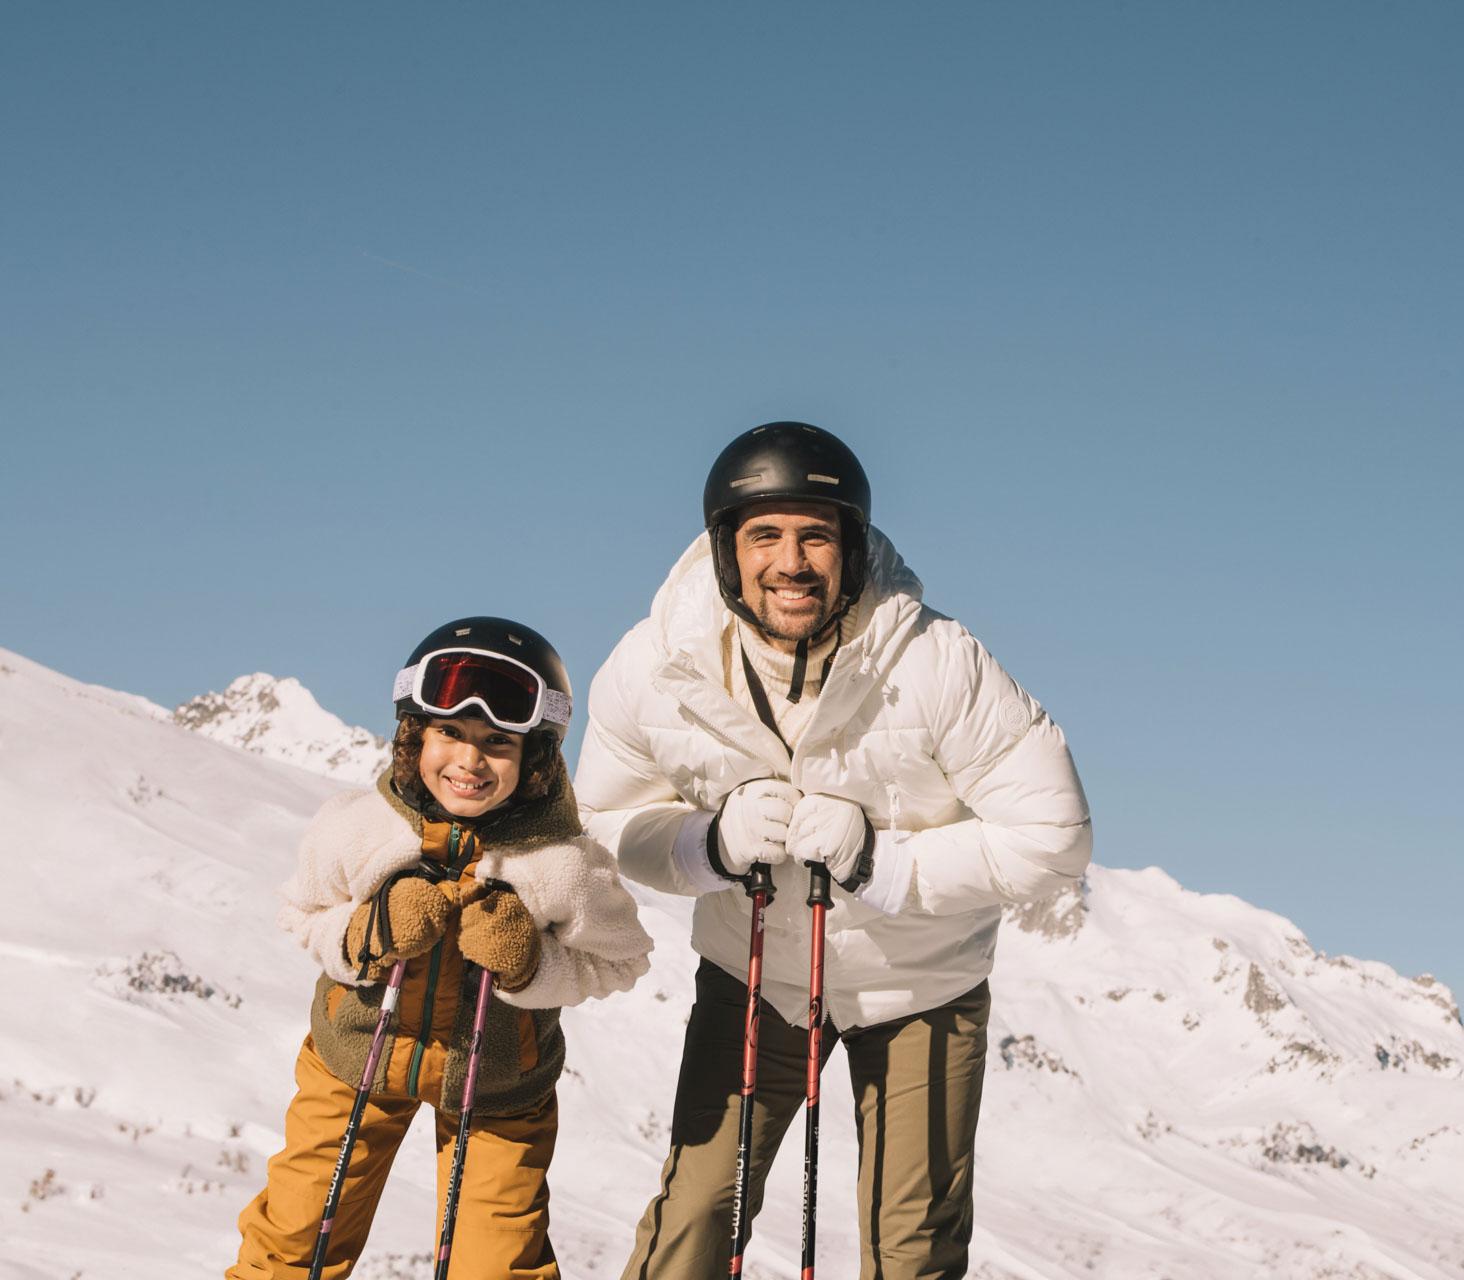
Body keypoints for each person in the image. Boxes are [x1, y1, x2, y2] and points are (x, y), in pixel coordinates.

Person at [576, 422, 1093, 1278]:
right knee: (694, 1220)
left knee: (911, 1247)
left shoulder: (934, 661)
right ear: (724, 550)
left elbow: (1055, 837)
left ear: (851, 545)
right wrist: (708, 844)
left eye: (816, 534)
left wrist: (881, 864)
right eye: (765, 536)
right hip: (753, 978)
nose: (792, 561)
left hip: (922, 989)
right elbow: (605, 819)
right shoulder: (659, 663)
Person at [228, 617, 655, 1279]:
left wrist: (529, 963)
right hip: (355, 1058)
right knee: (293, 1237)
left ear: (536, 757)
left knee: (496, 1266)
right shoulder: (357, 828)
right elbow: (302, 913)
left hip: (499, 1083)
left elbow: (622, 958)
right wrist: (365, 933)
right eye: (449, 733)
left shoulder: (562, 862)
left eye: (497, 743)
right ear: (413, 735)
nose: (469, 761)